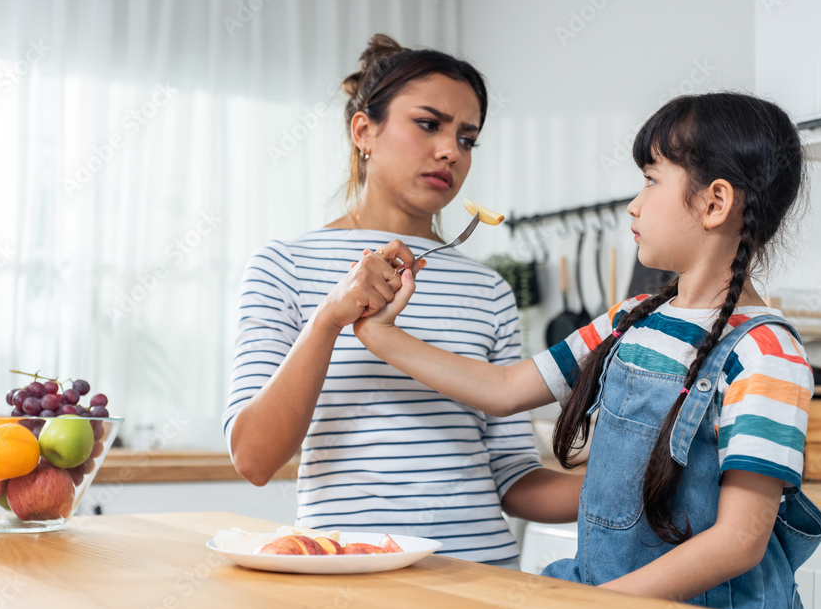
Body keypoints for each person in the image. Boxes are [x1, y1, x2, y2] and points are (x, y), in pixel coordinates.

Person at [353, 92, 821, 609]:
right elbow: (506, 388)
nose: (634, 204)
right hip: (613, 608)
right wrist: (379, 334)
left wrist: (598, 606)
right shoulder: (630, 317)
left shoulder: (767, 352)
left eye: (651, 180)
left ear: (714, 203)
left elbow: (739, 541)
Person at [222, 34, 582, 566]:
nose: (450, 152)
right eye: (429, 124)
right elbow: (254, 459)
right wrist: (328, 320)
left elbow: (511, 475)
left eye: (467, 139)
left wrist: (642, 487)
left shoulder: (489, 290)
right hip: (345, 577)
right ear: (364, 130)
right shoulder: (284, 266)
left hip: (480, 580)